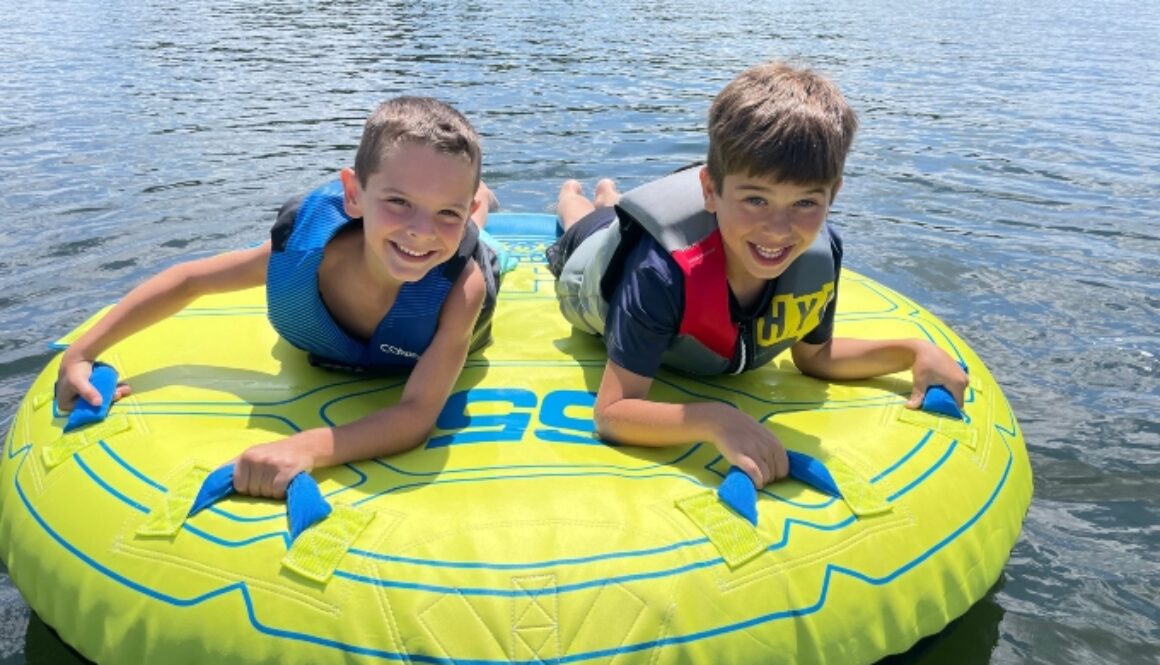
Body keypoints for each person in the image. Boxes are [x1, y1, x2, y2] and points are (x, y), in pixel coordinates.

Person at [55, 96, 507, 499]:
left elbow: (415, 414)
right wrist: (82, 353)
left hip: (457, 276)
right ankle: (472, 203)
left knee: (475, 242)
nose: (421, 228)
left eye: (447, 210)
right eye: (399, 201)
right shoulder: (301, 254)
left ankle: (479, 206)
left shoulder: (460, 292)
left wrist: (305, 447)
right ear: (353, 194)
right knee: (436, 238)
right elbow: (189, 281)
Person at [547, 62, 968, 488]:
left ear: (833, 194)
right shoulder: (663, 272)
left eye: (805, 203)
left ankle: (609, 196)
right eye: (756, 199)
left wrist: (911, 352)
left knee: (605, 212)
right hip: (586, 270)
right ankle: (577, 198)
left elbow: (814, 357)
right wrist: (713, 419)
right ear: (710, 190)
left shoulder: (819, 254)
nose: (779, 229)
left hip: (691, 229)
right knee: (584, 224)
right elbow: (612, 413)